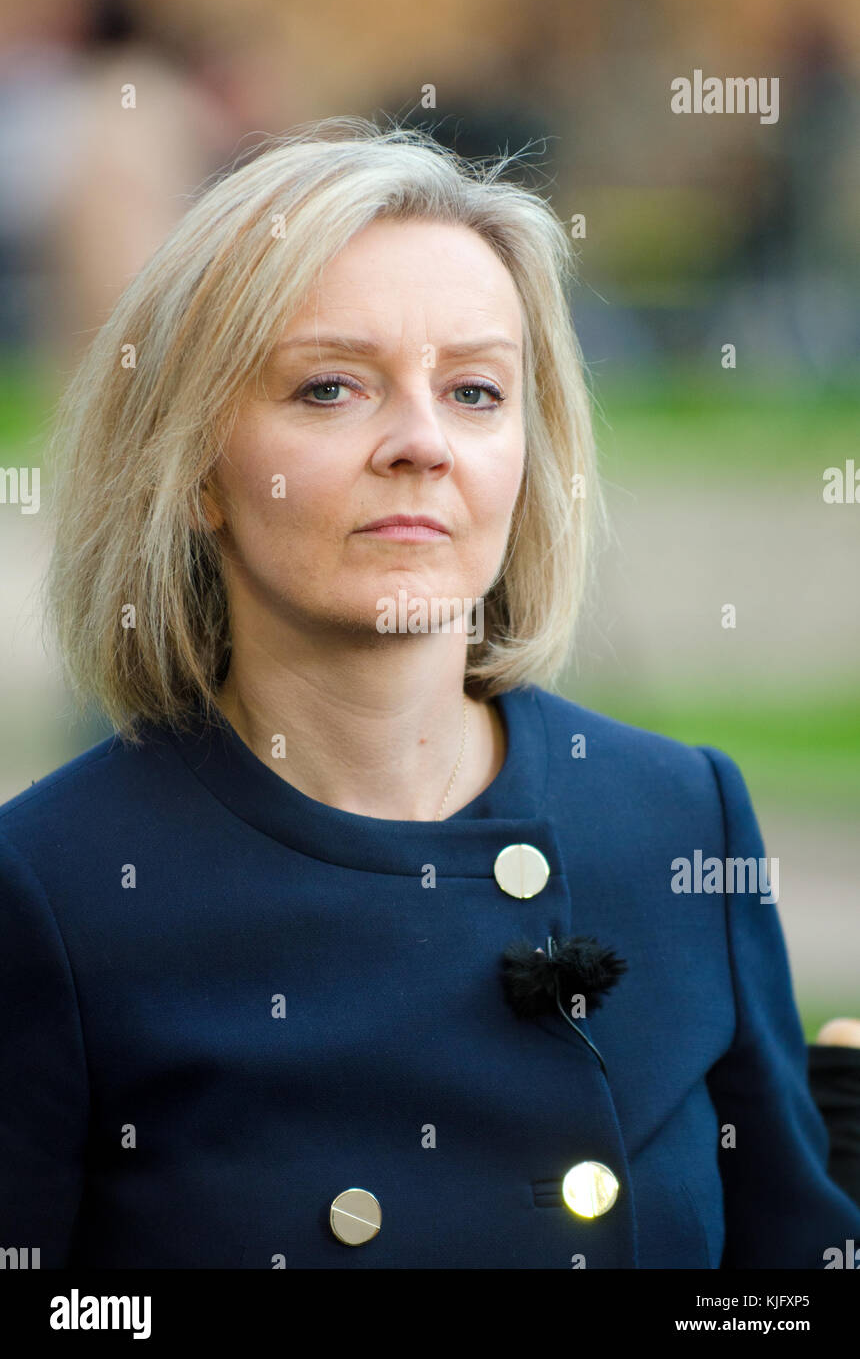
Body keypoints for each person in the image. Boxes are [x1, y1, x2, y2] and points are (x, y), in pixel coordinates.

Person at [0, 118, 858, 1269]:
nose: (420, 443)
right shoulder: (56, 886)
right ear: (196, 469)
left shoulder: (680, 817)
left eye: (472, 391)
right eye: (330, 387)